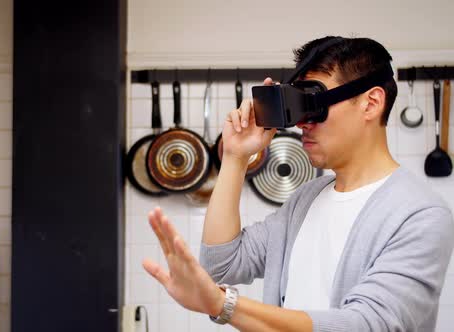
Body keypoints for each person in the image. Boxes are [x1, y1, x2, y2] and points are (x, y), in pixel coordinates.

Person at [141, 36, 454, 331]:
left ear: (371, 103)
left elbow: (366, 325)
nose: (303, 123)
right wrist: (236, 158)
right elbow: (222, 267)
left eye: (314, 104)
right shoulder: (307, 198)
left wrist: (224, 305)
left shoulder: (420, 214)